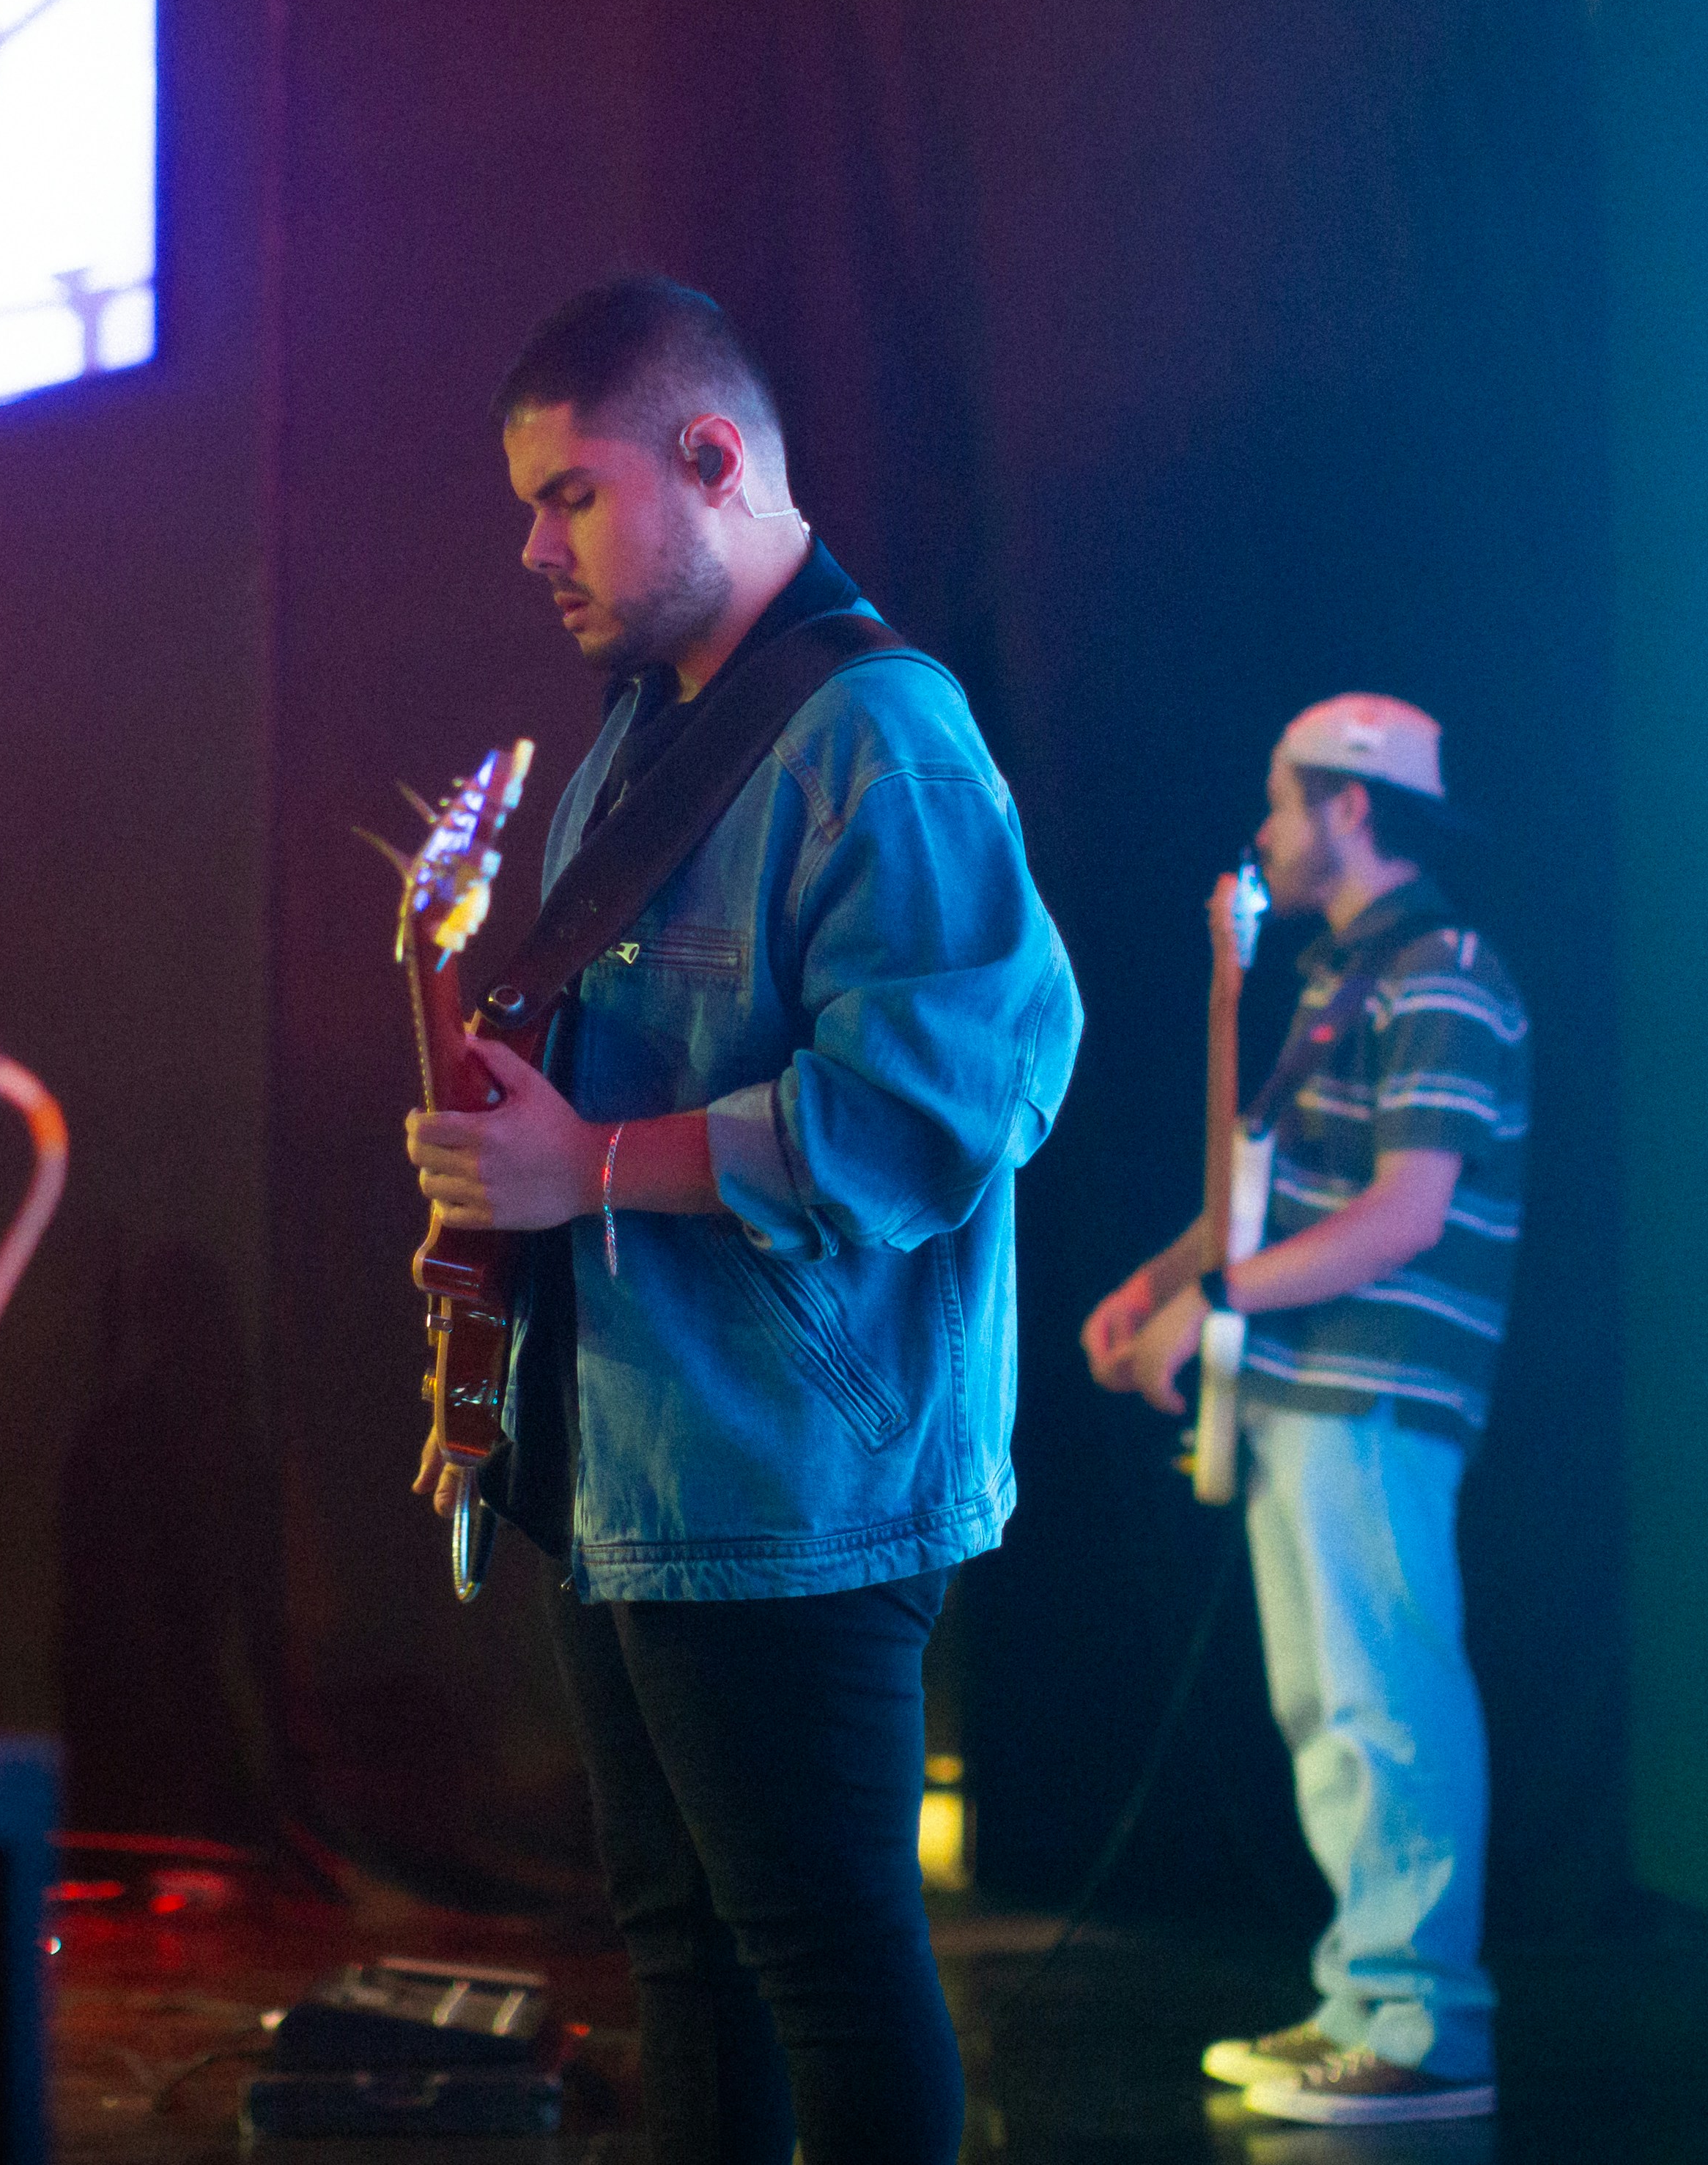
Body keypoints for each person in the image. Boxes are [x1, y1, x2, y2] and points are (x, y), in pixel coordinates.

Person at [404, 276, 1082, 2165]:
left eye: (569, 495)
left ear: (712, 459)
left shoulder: (887, 738)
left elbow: (945, 1107)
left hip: (792, 1485)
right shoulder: (632, 731)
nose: (530, 545)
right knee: (682, 1961)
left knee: (827, 1965)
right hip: (630, 1453)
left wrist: (591, 1170)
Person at [1076, 693, 1526, 2128]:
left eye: (1279, 802)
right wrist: (1159, 1280)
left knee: (1380, 1692)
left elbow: (1402, 1214)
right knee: (1324, 1699)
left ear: (1349, 806)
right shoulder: (1345, 977)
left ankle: (1421, 2021)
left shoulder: (1443, 970)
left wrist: (1209, 1309)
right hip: (1305, 1390)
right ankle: (1362, 2000)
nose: (1261, 834)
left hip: (1375, 1388)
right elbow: (1264, 1191)